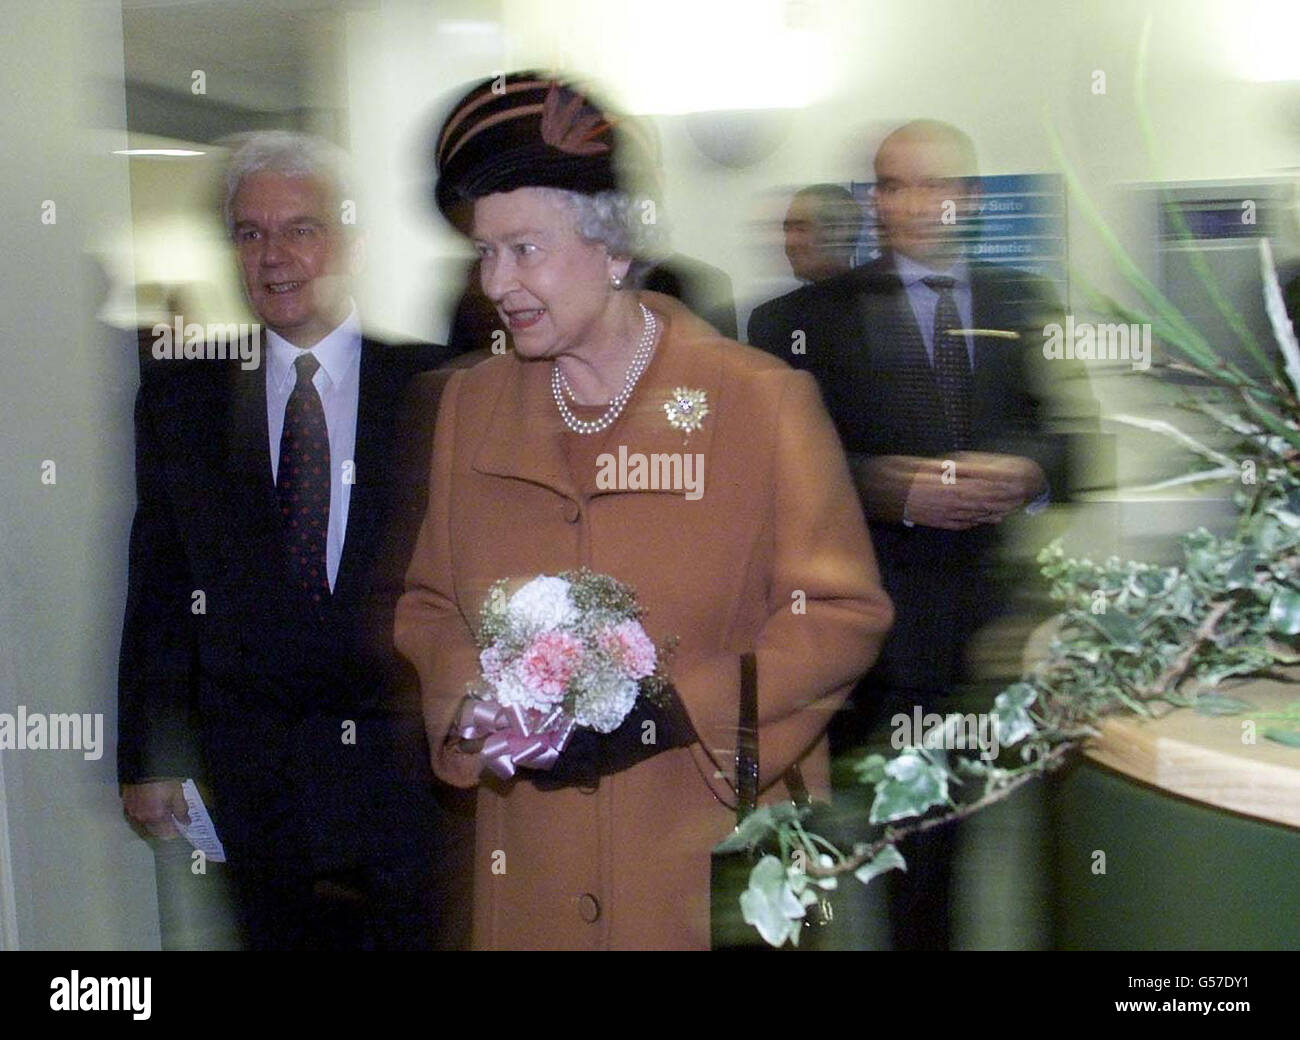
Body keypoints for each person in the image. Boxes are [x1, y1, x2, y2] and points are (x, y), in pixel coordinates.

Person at [395, 73, 894, 951]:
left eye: (525, 249)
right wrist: (471, 700)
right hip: (535, 870)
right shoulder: (470, 407)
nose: (498, 283)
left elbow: (842, 616)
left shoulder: (758, 403)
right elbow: (431, 606)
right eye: (485, 253)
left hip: (711, 857)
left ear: (615, 249)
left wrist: (671, 710)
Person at [117, 130, 466, 950]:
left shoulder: (435, 388)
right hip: (255, 785)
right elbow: (159, 583)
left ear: (349, 242)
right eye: (250, 233)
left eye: (300, 229)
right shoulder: (182, 400)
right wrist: (143, 754)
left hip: (407, 781)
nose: (274, 256)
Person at [748, 119, 1093, 949]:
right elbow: (769, 475)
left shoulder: (1022, 301)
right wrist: (881, 487)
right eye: (894, 185)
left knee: (971, 861)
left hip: (983, 638)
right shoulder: (807, 319)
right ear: (874, 200)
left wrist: (1026, 475)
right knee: (840, 865)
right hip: (853, 630)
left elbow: (1070, 445)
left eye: (936, 185)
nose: (915, 204)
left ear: (968, 199)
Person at [746, 184, 862, 347]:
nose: (789, 243)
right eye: (787, 231)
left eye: (801, 229)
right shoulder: (771, 319)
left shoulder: (885, 311)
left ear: (840, 231)